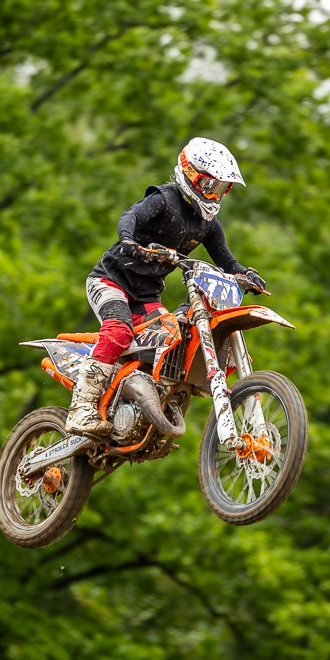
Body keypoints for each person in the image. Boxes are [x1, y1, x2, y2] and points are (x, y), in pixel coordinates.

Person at [65, 137, 267, 436]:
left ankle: (140, 401)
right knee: (118, 331)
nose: (214, 195)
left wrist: (246, 275)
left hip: (146, 295)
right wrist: (128, 241)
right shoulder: (165, 199)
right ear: (191, 176)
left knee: (172, 339)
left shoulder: (208, 224)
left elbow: (228, 262)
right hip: (110, 281)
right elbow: (130, 216)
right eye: (210, 186)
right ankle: (81, 409)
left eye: (221, 188)